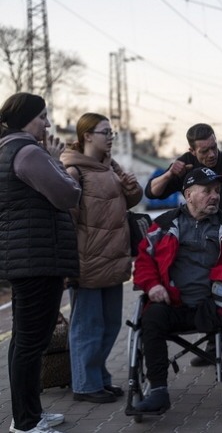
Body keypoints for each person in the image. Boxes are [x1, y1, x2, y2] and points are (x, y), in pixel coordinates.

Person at [131, 167, 222, 413]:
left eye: (217, 191)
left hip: (213, 305)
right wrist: (153, 285)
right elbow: (144, 261)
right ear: (188, 194)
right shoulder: (163, 226)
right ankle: (158, 391)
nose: (214, 196)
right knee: (151, 317)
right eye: (207, 191)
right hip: (173, 303)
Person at [0, 93, 81, 433]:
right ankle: (26, 422)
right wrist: (56, 161)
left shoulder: (7, 149)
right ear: (26, 118)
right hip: (37, 258)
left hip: (26, 257)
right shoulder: (29, 152)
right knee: (31, 341)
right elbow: (68, 194)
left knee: (25, 339)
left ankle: (28, 413)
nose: (48, 124)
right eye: (43, 117)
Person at [144, 123, 222, 366]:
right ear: (192, 151)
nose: (211, 154)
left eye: (214, 147)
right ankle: (209, 344)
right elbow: (152, 192)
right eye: (204, 151)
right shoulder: (185, 164)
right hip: (193, 231)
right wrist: (171, 174)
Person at [60, 113, 143, 404]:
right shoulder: (73, 171)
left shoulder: (110, 166)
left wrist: (130, 187)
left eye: (112, 133)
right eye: (105, 132)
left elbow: (126, 202)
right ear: (87, 136)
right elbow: (66, 223)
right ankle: (84, 384)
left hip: (114, 259)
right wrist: (67, 267)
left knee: (109, 324)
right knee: (87, 327)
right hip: (87, 263)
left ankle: (99, 378)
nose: (110, 137)